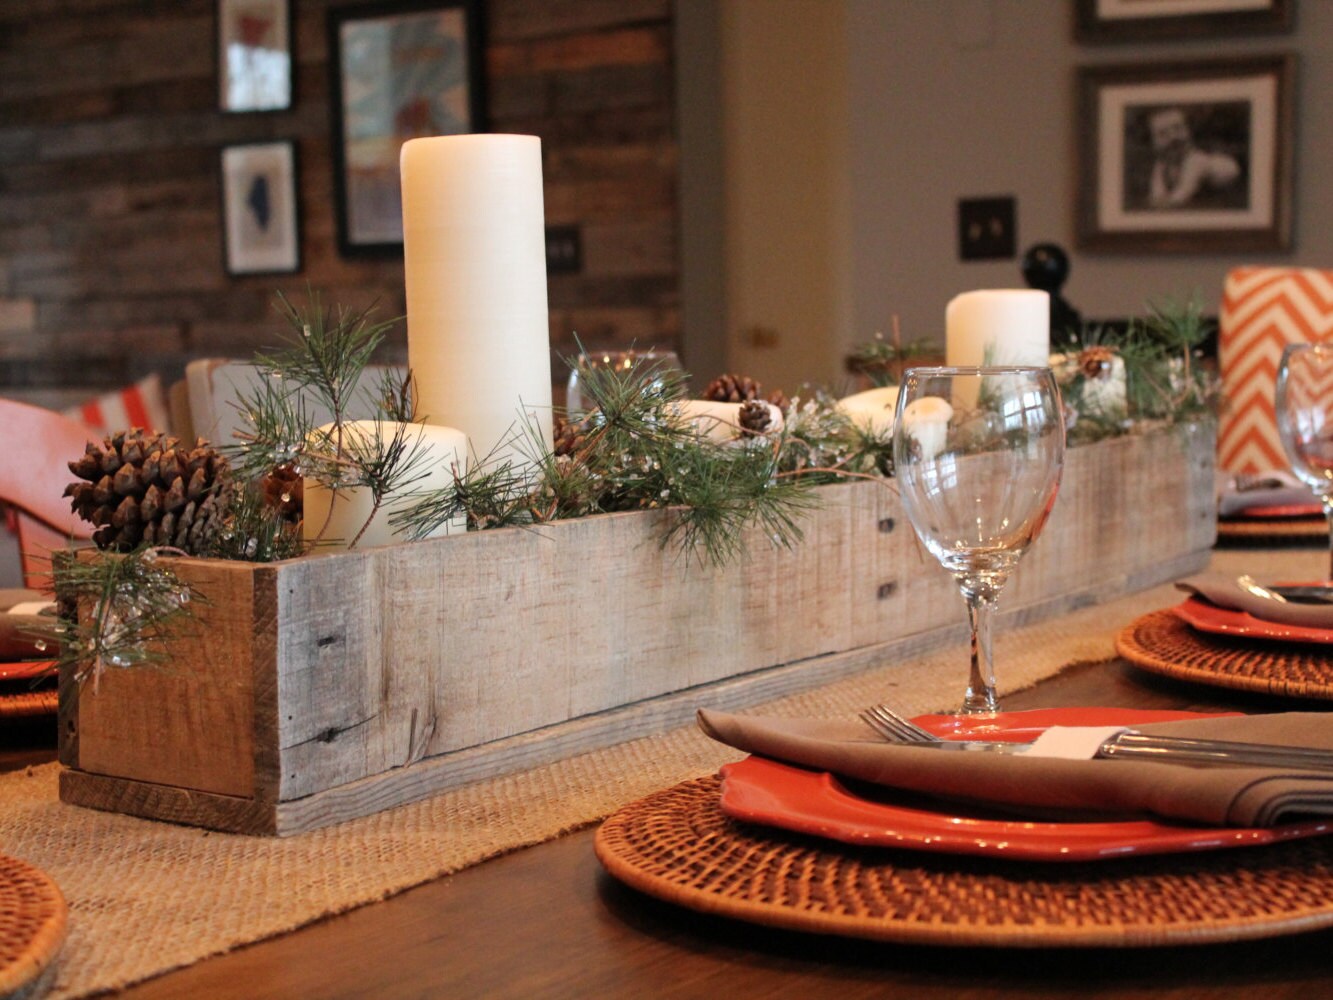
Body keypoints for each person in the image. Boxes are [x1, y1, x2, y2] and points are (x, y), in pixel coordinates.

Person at [1145, 106, 1240, 210]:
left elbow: (1182, 195)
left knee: (1203, 164)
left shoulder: (1195, 160)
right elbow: (1156, 193)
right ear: (1153, 142)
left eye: (1178, 128)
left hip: (1224, 169)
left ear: (1188, 131)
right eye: (1163, 134)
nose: (1173, 137)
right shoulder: (1161, 164)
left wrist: (1170, 201)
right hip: (1203, 183)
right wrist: (1157, 198)